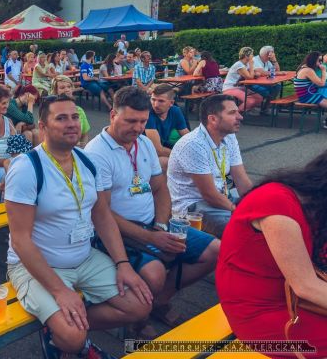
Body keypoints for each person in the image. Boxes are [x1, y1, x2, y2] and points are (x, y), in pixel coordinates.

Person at [5, 93, 152, 357]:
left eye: (74, 116)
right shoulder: (26, 168)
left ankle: (60, 327)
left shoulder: (86, 161)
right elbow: (20, 240)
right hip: (37, 265)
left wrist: (123, 264)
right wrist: (59, 290)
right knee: (73, 338)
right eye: (61, 118)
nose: (72, 123)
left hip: (84, 257)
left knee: (139, 305)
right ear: (43, 126)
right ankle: (75, 339)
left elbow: (103, 216)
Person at [84, 87, 219, 338]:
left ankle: (157, 303)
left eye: (143, 121)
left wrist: (160, 226)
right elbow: (102, 214)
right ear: (112, 115)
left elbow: (160, 188)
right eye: (130, 121)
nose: (137, 128)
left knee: (214, 251)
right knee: (154, 273)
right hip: (116, 233)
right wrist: (151, 237)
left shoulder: (144, 143)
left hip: (153, 225)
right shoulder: (95, 153)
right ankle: (139, 318)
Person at [216, 151, 327, 356]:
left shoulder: (315, 205)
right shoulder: (277, 203)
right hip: (259, 311)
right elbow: (306, 287)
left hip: (293, 299)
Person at [168, 94, 253, 237]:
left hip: (221, 199)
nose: (240, 117)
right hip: (193, 208)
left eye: (238, 112)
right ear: (213, 119)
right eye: (232, 113)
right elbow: (209, 195)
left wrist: (256, 203)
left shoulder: (229, 136)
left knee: (267, 216)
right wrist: (243, 211)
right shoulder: (193, 144)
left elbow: (242, 180)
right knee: (245, 230)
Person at [145, 84, 189, 172]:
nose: (156, 105)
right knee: (168, 163)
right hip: (143, 154)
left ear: (171, 103)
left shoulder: (175, 111)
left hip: (161, 148)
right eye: (153, 99)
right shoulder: (148, 113)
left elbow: (188, 138)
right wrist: (185, 157)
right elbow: (158, 150)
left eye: (161, 101)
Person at [52, 75, 91, 147]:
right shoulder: (51, 112)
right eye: (62, 88)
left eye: (69, 87)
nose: (67, 90)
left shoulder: (79, 110)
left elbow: (84, 135)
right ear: (55, 92)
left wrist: (83, 147)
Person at [222, 47, 262, 112]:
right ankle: (235, 114)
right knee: (249, 101)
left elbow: (256, 73)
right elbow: (250, 77)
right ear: (246, 56)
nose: (253, 56)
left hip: (240, 87)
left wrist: (255, 72)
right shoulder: (239, 65)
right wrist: (251, 66)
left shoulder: (246, 64)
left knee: (259, 98)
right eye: (252, 54)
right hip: (230, 88)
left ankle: (245, 110)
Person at [293, 51, 327, 124]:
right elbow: (321, 83)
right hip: (307, 97)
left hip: (309, 94)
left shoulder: (304, 67)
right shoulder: (308, 70)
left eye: (321, 60)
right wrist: (324, 71)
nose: (321, 63)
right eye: (319, 61)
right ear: (313, 60)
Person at [251, 45, 282, 110]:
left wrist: (274, 60)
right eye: (272, 52)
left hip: (263, 83)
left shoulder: (267, 61)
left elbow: (277, 70)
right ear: (267, 54)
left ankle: (265, 108)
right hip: (252, 83)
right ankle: (265, 108)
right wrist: (277, 73)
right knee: (267, 93)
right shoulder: (255, 60)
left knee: (277, 86)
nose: (273, 54)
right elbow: (262, 72)